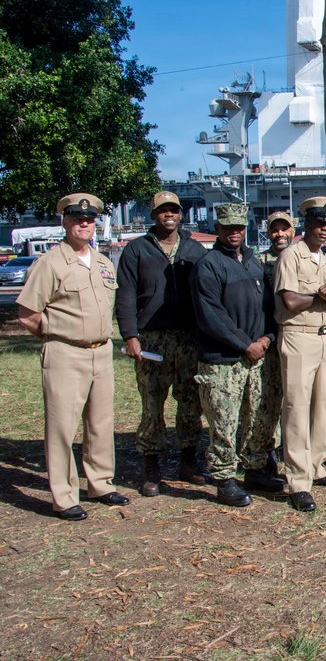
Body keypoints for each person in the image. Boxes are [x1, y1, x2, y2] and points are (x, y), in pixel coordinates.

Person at [17, 193, 129, 521]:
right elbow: (27, 314)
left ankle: (100, 482)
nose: (84, 224)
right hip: (65, 352)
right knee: (62, 427)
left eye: (90, 219)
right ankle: (64, 496)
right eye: (77, 218)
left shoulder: (104, 263)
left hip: (101, 353)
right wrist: (56, 336)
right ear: (64, 222)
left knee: (100, 422)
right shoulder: (50, 263)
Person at [116, 190, 209, 497]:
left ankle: (188, 461)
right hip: (151, 338)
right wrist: (130, 335)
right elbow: (126, 295)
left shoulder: (195, 249)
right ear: (153, 215)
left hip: (187, 338)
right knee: (152, 404)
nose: (169, 215)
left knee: (190, 402)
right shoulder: (136, 250)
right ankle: (151, 468)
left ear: (181, 214)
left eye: (174, 210)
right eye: (162, 211)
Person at [191, 203, 283, 507]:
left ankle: (255, 469)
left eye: (239, 228)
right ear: (218, 229)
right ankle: (224, 478)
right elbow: (211, 315)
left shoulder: (253, 262)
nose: (234, 233)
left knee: (260, 416)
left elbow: (270, 307)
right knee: (224, 422)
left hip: (258, 357)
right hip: (224, 360)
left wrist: (268, 337)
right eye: (228, 227)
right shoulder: (209, 265)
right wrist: (246, 344)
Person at [274, 197, 326, 512]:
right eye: (318, 223)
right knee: (296, 408)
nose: (324, 229)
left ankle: (317, 466)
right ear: (306, 224)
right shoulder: (292, 255)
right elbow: (289, 300)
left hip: (324, 338)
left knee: (322, 405)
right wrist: (320, 296)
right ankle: (298, 481)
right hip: (298, 337)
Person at [256, 211, 298, 480]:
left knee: (298, 396)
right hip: (270, 335)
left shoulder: (301, 256)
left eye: (285, 229)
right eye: (274, 230)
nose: (280, 234)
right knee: (268, 398)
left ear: (293, 231)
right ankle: (267, 451)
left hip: (296, 333)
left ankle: (299, 446)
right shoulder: (258, 261)